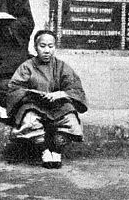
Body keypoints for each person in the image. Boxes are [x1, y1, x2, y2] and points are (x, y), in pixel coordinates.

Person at [6, 30, 87, 169]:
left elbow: (74, 87)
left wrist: (61, 94)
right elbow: (15, 88)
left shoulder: (61, 66)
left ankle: (56, 150)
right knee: (29, 120)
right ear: (35, 47)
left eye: (51, 46)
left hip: (57, 105)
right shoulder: (27, 66)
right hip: (33, 105)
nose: (47, 50)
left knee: (71, 121)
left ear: (55, 47)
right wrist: (31, 93)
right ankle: (44, 151)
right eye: (42, 46)